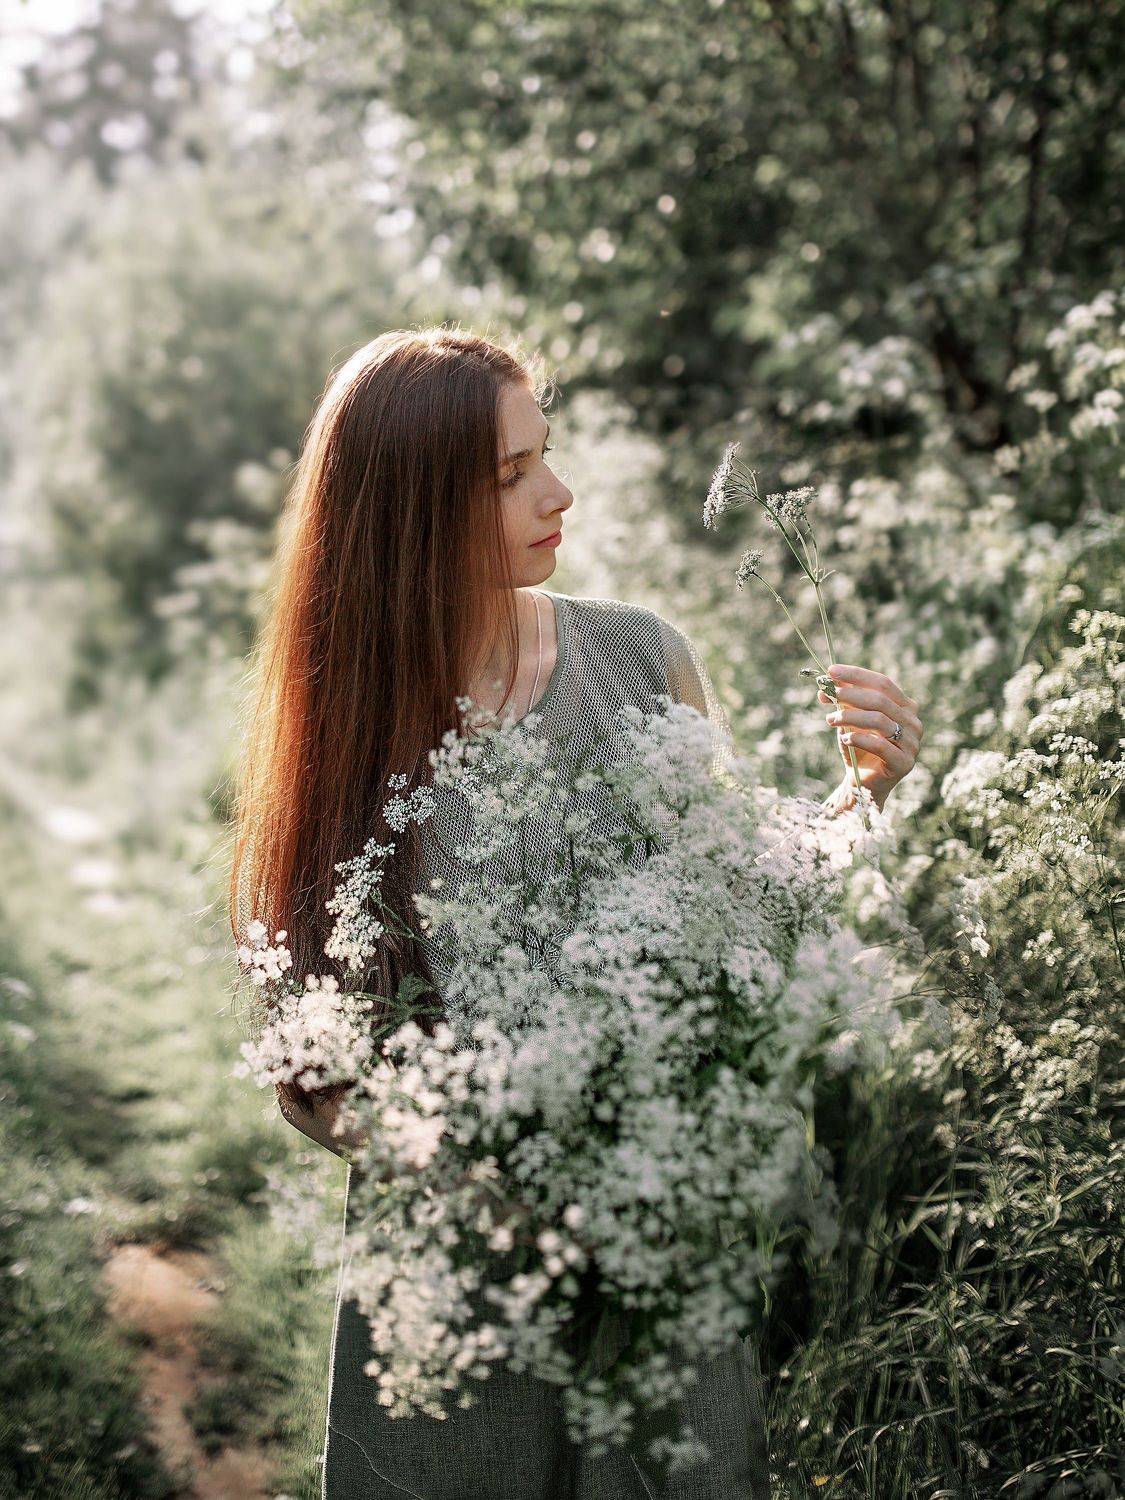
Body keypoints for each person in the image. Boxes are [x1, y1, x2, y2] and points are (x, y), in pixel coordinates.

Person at [228, 325, 922, 1499]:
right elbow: (315, 1073)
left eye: (545, 453)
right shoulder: (349, 726)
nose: (558, 493)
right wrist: (519, 1197)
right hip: (456, 1304)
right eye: (511, 474)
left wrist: (864, 794)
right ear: (411, 512)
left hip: (659, 1283)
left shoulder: (643, 658)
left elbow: (744, 911)